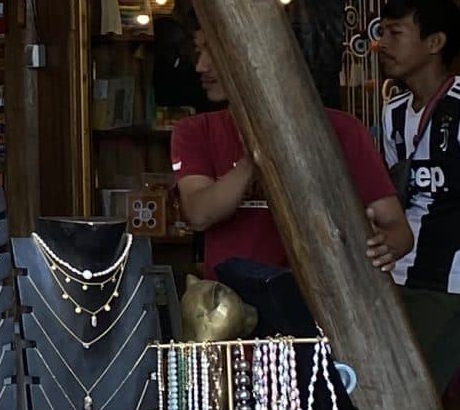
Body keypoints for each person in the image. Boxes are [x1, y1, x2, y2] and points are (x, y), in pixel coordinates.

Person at [173, 35, 410, 284]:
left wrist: (385, 246)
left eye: (213, 49)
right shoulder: (196, 130)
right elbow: (199, 214)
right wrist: (256, 155)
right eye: (198, 51)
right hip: (231, 311)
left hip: (326, 301)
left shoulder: (342, 130)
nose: (201, 65)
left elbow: (399, 231)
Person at [377, 0, 460, 389]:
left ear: (435, 43)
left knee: (410, 392)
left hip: (450, 281)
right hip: (397, 276)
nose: (382, 44)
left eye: (395, 33)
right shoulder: (392, 113)